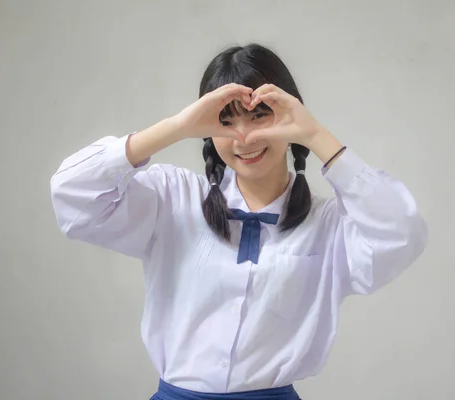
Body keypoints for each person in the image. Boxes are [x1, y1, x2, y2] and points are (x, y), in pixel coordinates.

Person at [50, 43, 428, 400]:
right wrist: (177, 127)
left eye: (260, 115)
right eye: (225, 121)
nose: (244, 137)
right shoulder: (172, 197)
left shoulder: (328, 224)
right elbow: (72, 192)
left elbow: (401, 233)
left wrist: (315, 135)